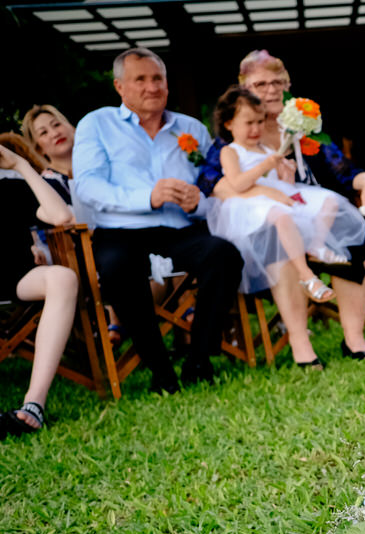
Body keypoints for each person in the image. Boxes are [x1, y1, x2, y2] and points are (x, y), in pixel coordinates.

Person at [199, 49, 365, 362]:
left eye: (277, 82)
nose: (270, 90)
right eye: (260, 84)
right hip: (265, 219)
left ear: (287, 85)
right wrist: (259, 191)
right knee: (279, 240)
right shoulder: (232, 138)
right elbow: (208, 183)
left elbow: (343, 171)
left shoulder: (302, 126)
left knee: (351, 235)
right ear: (244, 87)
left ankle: (354, 340)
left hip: (310, 212)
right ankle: (301, 344)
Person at [73, 47, 242, 394]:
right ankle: (159, 368)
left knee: (223, 255)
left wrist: (200, 201)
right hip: (120, 230)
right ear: (120, 87)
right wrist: (146, 197)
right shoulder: (97, 123)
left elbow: (214, 187)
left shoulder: (191, 127)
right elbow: (88, 185)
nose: (152, 87)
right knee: (119, 267)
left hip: (180, 228)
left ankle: (199, 357)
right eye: (141, 79)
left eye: (158, 78)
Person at [207, 87, 365, 317]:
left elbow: (282, 184)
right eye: (248, 123)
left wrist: (286, 174)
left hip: (277, 195)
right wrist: (266, 165)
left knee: (329, 201)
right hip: (250, 204)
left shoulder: (265, 148)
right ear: (229, 124)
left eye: (260, 122)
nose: (256, 129)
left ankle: (317, 245)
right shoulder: (230, 152)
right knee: (281, 215)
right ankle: (306, 276)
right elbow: (239, 184)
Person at [0, 137, 76, 438]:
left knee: (63, 277)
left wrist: (20, 165)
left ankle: (33, 404)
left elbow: (61, 217)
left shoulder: (10, 187)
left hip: (13, 276)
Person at [21, 104, 74, 203]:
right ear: (38, 148)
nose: (55, 134)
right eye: (43, 132)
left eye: (56, 125)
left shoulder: (100, 159)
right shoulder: (47, 185)